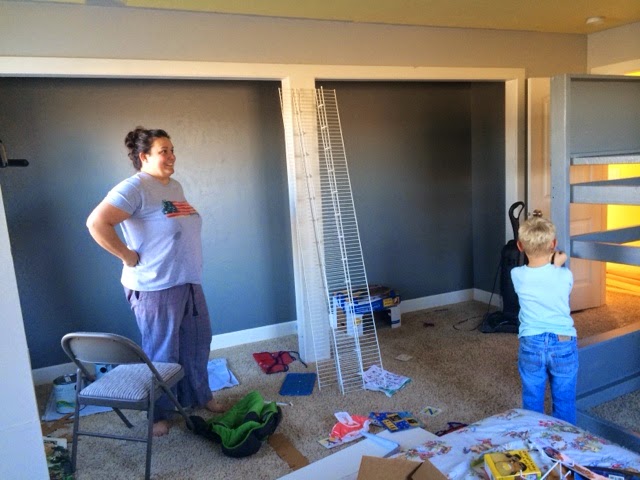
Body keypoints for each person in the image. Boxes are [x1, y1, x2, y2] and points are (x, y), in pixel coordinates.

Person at [86, 127, 224, 436]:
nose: (172, 156)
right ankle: (158, 413)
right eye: (164, 151)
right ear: (144, 156)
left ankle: (199, 396)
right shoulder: (134, 188)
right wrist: (127, 255)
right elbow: (97, 223)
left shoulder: (173, 186)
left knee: (198, 342)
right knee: (163, 353)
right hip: (155, 286)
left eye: (173, 150)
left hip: (187, 280)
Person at [510, 216, 578, 424]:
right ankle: (564, 438)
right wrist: (556, 265)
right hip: (563, 341)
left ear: (520, 246)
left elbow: (538, 277)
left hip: (531, 341)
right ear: (553, 244)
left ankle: (534, 432)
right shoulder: (565, 275)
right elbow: (557, 285)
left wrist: (553, 264)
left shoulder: (516, 274)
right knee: (565, 400)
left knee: (532, 397)